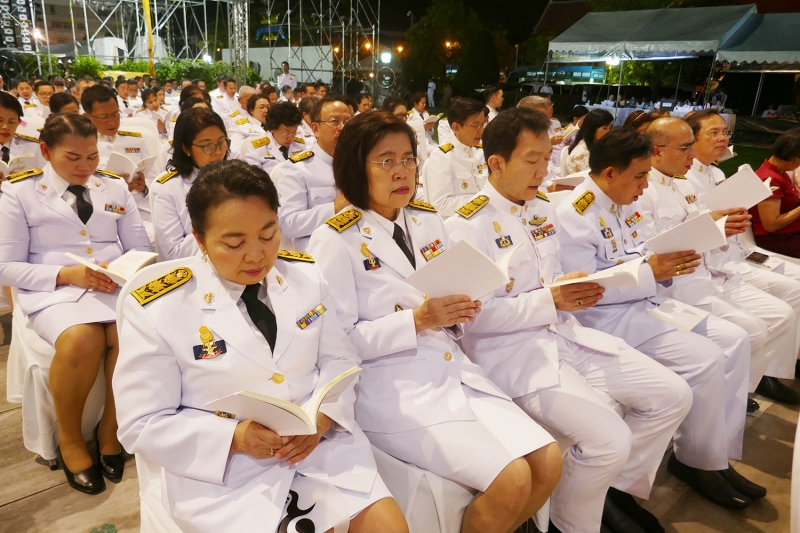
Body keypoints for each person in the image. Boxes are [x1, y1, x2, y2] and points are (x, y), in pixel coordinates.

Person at [114, 159, 407, 533]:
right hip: (230, 473)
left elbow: (340, 359)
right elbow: (142, 423)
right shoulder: (160, 305)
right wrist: (234, 438)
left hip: (320, 449)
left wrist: (323, 417)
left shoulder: (303, 274)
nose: (256, 256)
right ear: (200, 239)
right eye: (234, 243)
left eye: (268, 235)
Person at [309, 110, 562, 533]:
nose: (401, 171)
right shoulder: (335, 239)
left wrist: (460, 309)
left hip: (451, 368)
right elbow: (338, 342)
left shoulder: (426, 220)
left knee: (548, 462)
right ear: (356, 167)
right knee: (512, 477)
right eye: (385, 161)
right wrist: (418, 320)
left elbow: (449, 298)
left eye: (408, 159)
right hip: (392, 386)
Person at [446, 108, 692, 533]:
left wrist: (571, 286)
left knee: (673, 394)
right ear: (496, 163)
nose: (543, 171)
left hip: (564, 333)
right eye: (532, 160)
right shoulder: (466, 226)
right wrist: (551, 298)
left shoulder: (540, 207)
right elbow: (472, 320)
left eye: (547, 158)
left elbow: (548, 278)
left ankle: (611, 492)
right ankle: (571, 525)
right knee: (610, 438)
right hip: (511, 354)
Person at [557, 128, 764, 510]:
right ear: (609, 174)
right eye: (639, 177)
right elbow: (587, 292)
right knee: (705, 359)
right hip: (607, 319)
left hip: (647, 303)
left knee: (732, 342)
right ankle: (638, 482)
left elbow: (645, 249)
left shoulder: (626, 200)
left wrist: (666, 261)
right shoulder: (575, 215)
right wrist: (653, 270)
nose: (644, 186)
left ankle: (710, 459)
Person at [0, 113, 151, 494]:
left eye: (92, 156)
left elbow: (140, 248)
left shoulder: (113, 188)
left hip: (111, 283)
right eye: (73, 158)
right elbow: (6, 267)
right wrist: (67, 274)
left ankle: (110, 430)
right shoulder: (19, 193)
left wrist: (119, 267)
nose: (85, 167)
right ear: (46, 152)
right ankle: (69, 439)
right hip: (54, 289)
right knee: (84, 339)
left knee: (131, 333)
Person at [643, 118, 799, 406]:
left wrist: (720, 226)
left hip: (714, 266)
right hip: (683, 280)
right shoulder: (651, 187)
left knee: (767, 319)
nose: (722, 139)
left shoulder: (688, 181)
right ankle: (731, 396)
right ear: (657, 151)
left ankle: (746, 387)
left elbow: (696, 224)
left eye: (724, 132)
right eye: (712, 133)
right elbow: (652, 246)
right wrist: (716, 228)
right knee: (748, 331)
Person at [152, 108, 228, 261]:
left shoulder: (235, 175)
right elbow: (174, 252)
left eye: (221, 142)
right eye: (207, 145)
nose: (217, 152)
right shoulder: (167, 188)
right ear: (186, 147)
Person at [276, 97, 351, 251]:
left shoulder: (360, 163)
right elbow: (288, 224)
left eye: (348, 121)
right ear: (315, 129)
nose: (342, 127)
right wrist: (335, 207)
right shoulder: (297, 169)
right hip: (320, 252)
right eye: (334, 121)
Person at [82, 86, 153, 240]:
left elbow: (153, 177)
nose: (112, 121)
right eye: (104, 116)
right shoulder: (81, 147)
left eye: (115, 114)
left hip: (139, 209)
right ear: (87, 117)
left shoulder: (135, 140)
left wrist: (144, 186)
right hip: (101, 212)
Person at [421, 97, 488, 217]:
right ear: (456, 128)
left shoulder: (482, 152)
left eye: (483, 124)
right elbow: (440, 205)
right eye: (475, 126)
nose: (481, 131)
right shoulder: (441, 158)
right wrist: (485, 201)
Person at [751, 128, 800, 257]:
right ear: (795, 159)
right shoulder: (770, 179)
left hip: (790, 230)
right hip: (776, 238)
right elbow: (771, 225)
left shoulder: (779, 172)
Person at [242, 102, 306, 174]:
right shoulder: (257, 149)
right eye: (286, 132)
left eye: (294, 132)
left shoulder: (300, 145)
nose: (290, 137)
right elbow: (252, 179)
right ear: (273, 129)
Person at [0, 92, 45, 181]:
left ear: (19, 123)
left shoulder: (34, 148)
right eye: (0, 120)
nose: (5, 127)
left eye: (11, 122)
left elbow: (46, 182)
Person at [564, 108, 613, 175]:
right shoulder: (581, 154)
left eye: (610, 128)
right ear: (592, 129)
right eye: (605, 128)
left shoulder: (601, 145)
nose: (608, 132)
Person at [227, 93, 269, 157]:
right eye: (261, 107)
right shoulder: (240, 127)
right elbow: (237, 153)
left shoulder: (275, 125)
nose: (266, 110)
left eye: (268, 107)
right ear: (251, 110)